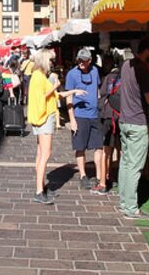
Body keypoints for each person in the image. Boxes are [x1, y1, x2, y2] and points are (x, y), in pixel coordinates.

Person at [27, 49, 84, 204]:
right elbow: (43, 96)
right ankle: (39, 191)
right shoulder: (38, 77)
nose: (52, 63)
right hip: (44, 118)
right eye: (50, 60)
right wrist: (55, 85)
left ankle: (41, 187)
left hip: (42, 118)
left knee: (41, 154)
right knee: (45, 153)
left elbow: (53, 95)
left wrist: (72, 91)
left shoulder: (38, 76)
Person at [118, 36, 149, 219]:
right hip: (137, 123)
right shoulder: (142, 69)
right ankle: (131, 208)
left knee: (126, 163)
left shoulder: (126, 65)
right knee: (135, 167)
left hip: (124, 120)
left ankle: (124, 203)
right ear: (147, 50)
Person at [65, 48, 104, 191]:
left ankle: (99, 175)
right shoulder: (72, 74)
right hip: (80, 115)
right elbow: (69, 97)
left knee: (98, 146)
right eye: (79, 60)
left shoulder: (95, 71)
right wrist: (72, 119)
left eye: (84, 60)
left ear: (90, 60)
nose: (81, 62)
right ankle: (83, 175)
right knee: (80, 147)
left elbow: (97, 89)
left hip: (95, 114)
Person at [98, 55, 122, 192]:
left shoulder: (107, 77)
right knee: (121, 150)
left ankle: (103, 181)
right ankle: (118, 177)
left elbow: (102, 94)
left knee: (106, 150)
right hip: (121, 116)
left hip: (108, 115)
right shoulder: (125, 78)